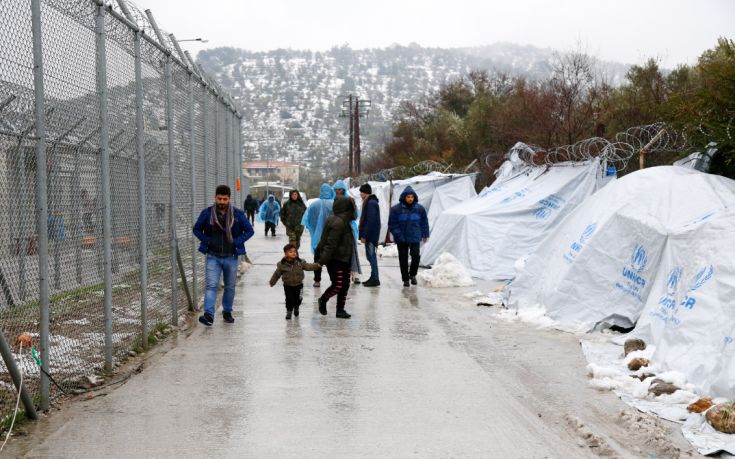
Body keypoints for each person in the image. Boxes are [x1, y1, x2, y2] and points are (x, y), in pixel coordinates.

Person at [192, 184, 254, 326]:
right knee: (212, 285)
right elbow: (196, 229)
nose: (221, 202)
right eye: (219, 199)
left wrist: (236, 242)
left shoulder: (237, 214)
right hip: (213, 256)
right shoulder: (207, 213)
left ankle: (227, 311)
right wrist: (207, 241)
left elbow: (249, 230)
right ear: (215, 198)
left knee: (230, 286)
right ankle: (208, 315)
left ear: (229, 199)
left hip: (231, 257)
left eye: (224, 199)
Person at [316, 196, 355, 319]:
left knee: (345, 284)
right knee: (338, 285)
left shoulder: (344, 220)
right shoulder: (338, 222)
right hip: (335, 259)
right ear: (347, 208)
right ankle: (323, 300)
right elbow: (330, 244)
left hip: (345, 257)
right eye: (352, 207)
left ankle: (340, 310)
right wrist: (321, 262)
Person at [388, 186, 430, 287]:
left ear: (414, 197)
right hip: (402, 238)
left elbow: (424, 222)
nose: (410, 199)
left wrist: (425, 234)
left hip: (415, 236)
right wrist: (399, 235)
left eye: (412, 197)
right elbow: (392, 224)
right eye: (408, 197)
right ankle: (405, 279)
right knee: (403, 259)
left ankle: (413, 275)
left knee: (416, 256)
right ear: (404, 197)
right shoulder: (396, 209)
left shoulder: (419, 209)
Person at [269, 243, 321, 320]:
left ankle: (296, 307)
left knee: (298, 299)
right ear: (285, 254)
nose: (293, 253)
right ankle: (289, 312)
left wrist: (317, 265)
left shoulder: (300, 262)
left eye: (294, 251)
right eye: (290, 252)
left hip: (299, 285)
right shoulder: (282, 265)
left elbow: (309, 266)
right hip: (287, 285)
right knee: (289, 299)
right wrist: (272, 282)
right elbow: (277, 274)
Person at [302, 183, 335, 287]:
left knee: (317, 260)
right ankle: (334, 281)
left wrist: (314, 229)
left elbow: (308, 220)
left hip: (317, 238)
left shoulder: (314, 204)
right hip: (330, 237)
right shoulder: (334, 203)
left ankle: (317, 280)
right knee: (331, 260)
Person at [333, 180, 362, 284]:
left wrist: (353, 206)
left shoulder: (349, 200)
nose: (337, 191)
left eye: (339, 189)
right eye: (336, 190)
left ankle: (355, 274)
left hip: (349, 229)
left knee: (352, 252)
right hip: (338, 229)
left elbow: (355, 216)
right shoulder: (333, 200)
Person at [358, 183, 381, 286]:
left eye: (361, 192)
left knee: (372, 257)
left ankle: (375, 279)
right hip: (371, 235)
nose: (360, 194)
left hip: (371, 236)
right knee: (370, 256)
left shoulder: (371, 203)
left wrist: (364, 235)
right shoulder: (369, 202)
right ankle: (373, 277)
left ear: (365, 192)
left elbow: (370, 221)